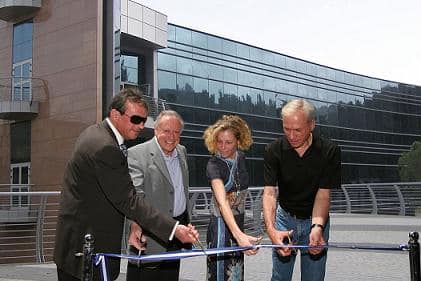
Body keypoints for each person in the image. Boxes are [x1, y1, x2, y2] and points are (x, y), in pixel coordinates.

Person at [53, 89, 199, 281]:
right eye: (135, 119)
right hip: (86, 252)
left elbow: (113, 194)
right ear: (115, 115)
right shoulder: (105, 147)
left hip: (80, 247)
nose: (140, 126)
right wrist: (175, 229)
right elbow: (129, 199)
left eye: (144, 120)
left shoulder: (95, 133)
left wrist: (135, 226)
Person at [262, 99, 341, 281]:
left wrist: (317, 227)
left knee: (314, 278)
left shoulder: (330, 151)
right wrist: (272, 230)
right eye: (286, 128)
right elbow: (269, 193)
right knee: (279, 277)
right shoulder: (273, 150)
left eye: (297, 130)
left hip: (315, 220)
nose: (291, 135)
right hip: (284, 219)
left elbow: (323, 194)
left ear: (312, 124)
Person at [125, 110, 190, 281]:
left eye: (176, 132)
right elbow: (136, 196)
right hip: (149, 237)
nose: (171, 136)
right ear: (156, 130)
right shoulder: (136, 154)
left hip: (176, 233)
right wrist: (135, 225)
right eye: (166, 131)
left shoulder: (182, 152)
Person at [203, 115, 261, 281]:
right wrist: (239, 235)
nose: (223, 147)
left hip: (238, 224)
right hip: (221, 227)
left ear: (238, 140)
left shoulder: (241, 158)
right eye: (219, 141)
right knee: (220, 274)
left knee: (236, 273)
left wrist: (240, 234)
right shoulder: (213, 165)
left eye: (228, 142)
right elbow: (222, 202)